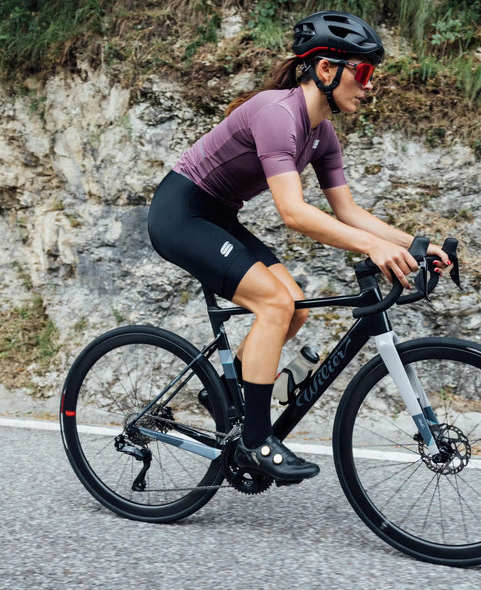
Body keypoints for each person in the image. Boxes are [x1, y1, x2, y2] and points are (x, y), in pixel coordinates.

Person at [148, 11, 450, 482]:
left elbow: (348, 212)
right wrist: (372, 248)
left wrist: (415, 244)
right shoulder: (278, 113)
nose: (370, 85)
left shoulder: (322, 134)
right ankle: (255, 441)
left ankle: (222, 396)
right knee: (275, 303)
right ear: (326, 69)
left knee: (296, 308)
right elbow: (293, 212)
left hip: (217, 217)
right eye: (363, 71)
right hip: (180, 215)